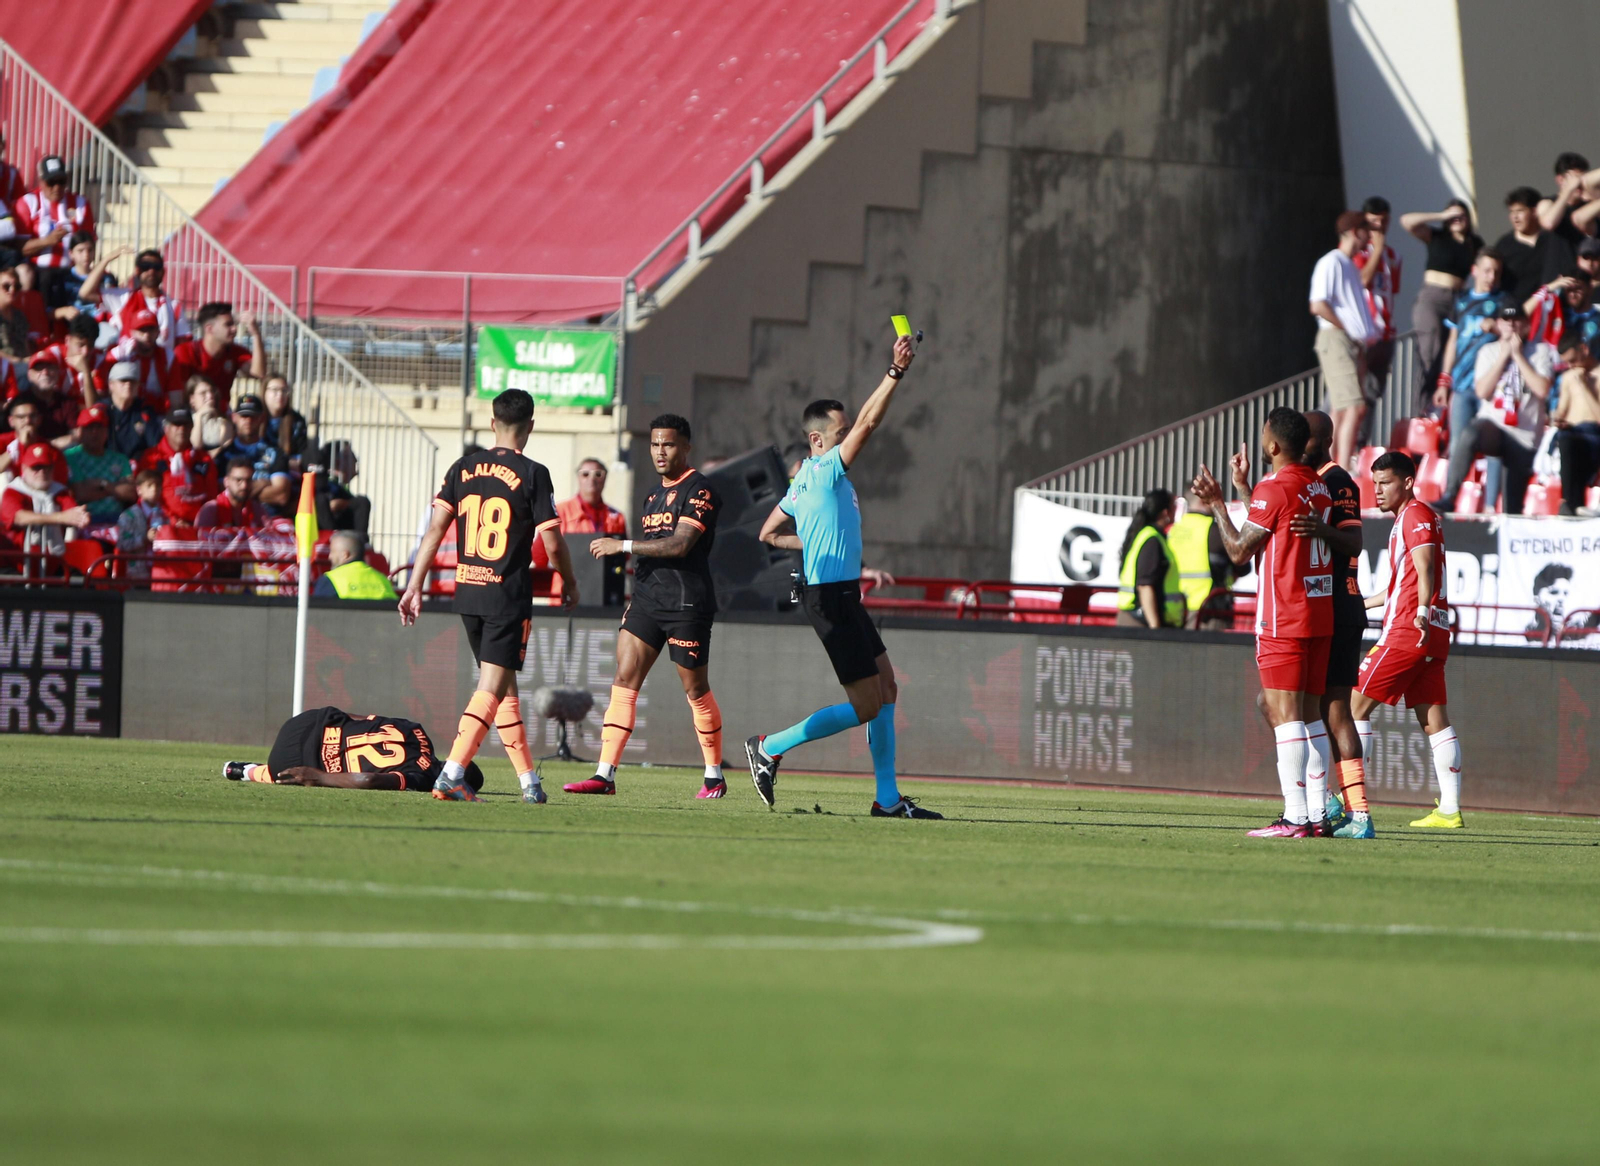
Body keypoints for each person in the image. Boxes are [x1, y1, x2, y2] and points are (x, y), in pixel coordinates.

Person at [745, 332, 942, 819]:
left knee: (887, 687)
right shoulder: (826, 471)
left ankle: (888, 799)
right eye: (841, 432)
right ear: (818, 440)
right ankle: (770, 747)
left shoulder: (806, 483)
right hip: (829, 598)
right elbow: (873, 421)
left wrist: (809, 541)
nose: (849, 436)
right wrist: (895, 371)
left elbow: (768, 534)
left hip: (841, 594)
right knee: (868, 705)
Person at [399, 388, 579, 805]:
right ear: (530, 426)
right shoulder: (535, 473)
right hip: (505, 596)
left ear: (492, 422)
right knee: (491, 688)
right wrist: (569, 582)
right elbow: (552, 545)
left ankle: (529, 782)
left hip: (469, 593)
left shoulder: (462, 467)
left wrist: (414, 586)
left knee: (504, 690)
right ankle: (452, 774)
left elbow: (434, 532)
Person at [568, 416, 729, 799]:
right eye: (655, 444)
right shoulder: (651, 495)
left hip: (687, 602)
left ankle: (713, 775)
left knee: (695, 688)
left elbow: (680, 545)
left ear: (686, 447)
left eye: (668, 445)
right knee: (624, 680)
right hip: (646, 599)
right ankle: (604, 775)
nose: (660, 451)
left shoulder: (701, 489)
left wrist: (622, 545)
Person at [1191, 407, 1334, 837]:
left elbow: (1238, 551)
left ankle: (1294, 817)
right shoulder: (1317, 486)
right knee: (1310, 717)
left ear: (1272, 445)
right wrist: (1242, 490)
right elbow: (1277, 526)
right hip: (1317, 614)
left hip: (1283, 616)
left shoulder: (1276, 489)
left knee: (1283, 713)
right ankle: (1317, 815)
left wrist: (1218, 502)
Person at [1349, 452, 1463, 829]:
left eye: (1386, 483)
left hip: (1408, 631)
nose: (1377, 491)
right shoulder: (1412, 518)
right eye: (1375, 482)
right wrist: (1360, 605)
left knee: (1353, 708)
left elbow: (1426, 567)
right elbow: (1401, 585)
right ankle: (1449, 810)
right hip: (1431, 635)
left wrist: (1422, 611)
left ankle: (1351, 802)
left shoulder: (1414, 515)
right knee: (1434, 721)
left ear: (1408, 483)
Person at [1285, 411, 1372, 838]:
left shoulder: (1338, 482)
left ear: (1322, 440)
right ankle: (1326, 805)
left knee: (1334, 710)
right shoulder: (1307, 481)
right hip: (1320, 606)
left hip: (1340, 603)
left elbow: (1354, 541)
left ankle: (1356, 814)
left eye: (1307, 440)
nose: (1300, 446)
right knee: (1302, 710)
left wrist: (1320, 529)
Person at [1443, 304, 1554, 514]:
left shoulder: (1540, 351)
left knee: (1512, 507)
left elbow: (1542, 389)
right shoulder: (1488, 351)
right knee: (1471, 432)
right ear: (1499, 324)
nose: (1511, 325)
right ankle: (1450, 495)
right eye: (1506, 320)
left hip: (1524, 436)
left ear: (1526, 325)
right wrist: (1504, 357)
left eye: (1517, 320)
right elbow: (1482, 391)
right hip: (1493, 426)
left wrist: (1518, 356)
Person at [223, 707, 476, 794]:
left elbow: (358, 719)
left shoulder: (416, 730)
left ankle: (241, 770)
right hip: (291, 760)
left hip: (305, 721)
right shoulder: (420, 779)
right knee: (292, 774)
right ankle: (249, 771)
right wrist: (318, 776)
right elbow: (369, 779)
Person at [1309, 211, 1377, 469]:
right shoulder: (1332, 261)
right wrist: (1347, 330)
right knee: (1354, 407)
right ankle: (1341, 467)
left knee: (1340, 409)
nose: (1369, 236)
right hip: (1337, 340)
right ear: (1352, 231)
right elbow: (1318, 304)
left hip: (1351, 344)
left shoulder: (1349, 264)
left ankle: (1331, 466)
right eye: (1365, 230)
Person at [1402, 199, 1484, 391]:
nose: (1457, 219)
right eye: (1453, 216)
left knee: (1452, 350)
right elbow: (1407, 221)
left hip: (1457, 299)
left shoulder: (1474, 243)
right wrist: (1442, 215)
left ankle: (1441, 404)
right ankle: (1422, 408)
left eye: (1461, 215)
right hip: (1433, 297)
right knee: (1430, 349)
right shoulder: (1437, 236)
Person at [1436, 249, 1507, 468]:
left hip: (1490, 386)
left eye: (1496, 272)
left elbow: (1515, 332)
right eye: (1487, 271)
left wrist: (1496, 327)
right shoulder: (1461, 301)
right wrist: (1444, 381)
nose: (1491, 277)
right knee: (1458, 443)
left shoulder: (1503, 300)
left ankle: (1488, 500)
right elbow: (1452, 341)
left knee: (1491, 447)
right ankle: (1451, 497)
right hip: (1462, 385)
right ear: (1475, 271)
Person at [13, 156, 94, 304]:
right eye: (51, 182)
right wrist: (48, 241)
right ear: (41, 181)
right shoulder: (28, 202)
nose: (57, 187)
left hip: (73, 271)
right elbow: (19, 248)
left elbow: (91, 242)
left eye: (61, 181)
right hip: (39, 271)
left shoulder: (81, 204)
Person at [1353, 196, 1401, 444]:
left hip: (1386, 334)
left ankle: (1360, 445)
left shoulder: (1394, 255)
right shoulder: (1359, 253)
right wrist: (1377, 250)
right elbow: (1362, 280)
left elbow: (1392, 290)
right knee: (1352, 392)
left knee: (1372, 393)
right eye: (1374, 222)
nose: (1379, 227)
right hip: (1365, 333)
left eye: (1383, 221)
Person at [1168, 488, 1248, 629]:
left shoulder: (1174, 530)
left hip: (1178, 609)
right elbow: (1243, 564)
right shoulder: (1214, 530)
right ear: (1203, 501)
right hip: (1209, 610)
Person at [90, 249, 189, 357]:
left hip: (160, 368)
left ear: (163, 271)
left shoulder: (174, 307)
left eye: (156, 267)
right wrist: (106, 259)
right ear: (137, 271)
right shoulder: (123, 297)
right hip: (128, 365)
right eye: (145, 266)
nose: (151, 271)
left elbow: (182, 346)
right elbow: (86, 293)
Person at [0, 441, 90, 555]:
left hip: (53, 560)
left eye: (46, 467)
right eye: (36, 467)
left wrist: (81, 516)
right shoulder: (13, 491)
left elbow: (72, 512)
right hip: (17, 563)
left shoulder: (60, 491)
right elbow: (19, 517)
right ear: (24, 469)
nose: (42, 472)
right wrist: (60, 517)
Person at [166, 302, 265, 402]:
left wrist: (256, 335)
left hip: (222, 414)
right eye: (228, 324)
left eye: (234, 324)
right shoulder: (185, 351)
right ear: (210, 329)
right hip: (191, 413)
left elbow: (258, 373)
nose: (234, 329)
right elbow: (178, 393)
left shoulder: (234, 351)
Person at [1114, 488, 1183, 629]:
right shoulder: (1152, 540)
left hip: (1138, 619)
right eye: (1174, 506)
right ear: (1165, 513)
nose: (1177, 509)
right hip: (1141, 623)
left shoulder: (1148, 535)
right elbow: (1145, 586)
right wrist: (1154, 627)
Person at [1494, 187, 1574, 306]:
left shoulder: (1553, 238)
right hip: (1520, 313)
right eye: (1512, 212)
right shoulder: (1504, 246)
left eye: (1520, 211)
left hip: (1555, 308)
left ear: (1534, 211)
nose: (1515, 217)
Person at [1552, 322, 1600, 515]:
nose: (1571, 366)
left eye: (1573, 360)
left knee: (1573, 444)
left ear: (1584, 349)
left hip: (1594, 436)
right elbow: (1561, 409)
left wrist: (1584, 387)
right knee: (1566, 441)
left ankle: (1574, 505)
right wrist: (1557, 418)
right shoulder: (1569, 377)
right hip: (1572, 435)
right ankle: (1571, 504)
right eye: (1567, 363)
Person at [137, 408, 216, 525]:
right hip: (162, 525)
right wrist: (172, 521)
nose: (182, 429)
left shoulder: (204, 459)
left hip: (198, 527)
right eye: (177, 425)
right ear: (166, 428)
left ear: (192, 428)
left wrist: (202, 521)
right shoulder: (151, 457)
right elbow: (145, 497)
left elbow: (211, 496)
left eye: (186, 425)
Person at [213, 394, 292, 511]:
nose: (248, 420)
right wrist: (264, 483)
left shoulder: (275, 453)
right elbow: (218, 491)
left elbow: (281, 495)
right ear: (234, 418)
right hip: (231, 518)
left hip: (268, 519)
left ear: (262, 418)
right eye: (244, 416)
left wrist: (238, 491)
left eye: (253, 416)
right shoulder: (224, 455)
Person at [64, 404, 134, 526]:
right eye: (89, 428)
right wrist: (115, 489)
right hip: (86, 520)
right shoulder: (70, 457)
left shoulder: (119, 459)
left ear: (106, 432)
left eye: (99, 427)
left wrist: (103, 484)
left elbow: (131, 493)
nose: (94, 432)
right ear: (80, 431)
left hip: (117, 518)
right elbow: (80, 493)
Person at [97, 310, 170, 410]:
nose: (147, 335)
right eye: (142, 330)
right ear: (132, 333)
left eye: (151, 330)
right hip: (119, 410)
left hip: (156, 413)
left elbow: (175, 398)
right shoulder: (118, 354)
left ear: (158, 332)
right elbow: (99, 390)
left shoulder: (168, 356)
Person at [1536, 152, 1600, 252]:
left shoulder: (1589, 205)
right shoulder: (1547, 203)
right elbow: (1549, 223)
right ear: (1560, 180)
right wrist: (1568, 190)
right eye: (1576, 178)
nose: (1579, 184)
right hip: (1558, 266)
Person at [1, 394, 68, 486]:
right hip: (6, 496)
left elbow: (59, 483)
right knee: (4, 477)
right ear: (11, 421)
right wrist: (17, 445)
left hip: (36, 496)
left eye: (32, 416)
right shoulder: (2, 441)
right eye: (21, 417)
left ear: (39, 419)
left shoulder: (50, 450)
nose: (28, 421)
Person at [100, 362, 162, 460]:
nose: (128, 384)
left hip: (137, 467)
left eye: (132, 381)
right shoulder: (101, 410)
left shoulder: (145, 411)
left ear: (138, 385)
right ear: (111, 385)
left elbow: (155, 445)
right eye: (123, 381)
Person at [312, 530, 397, 600]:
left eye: (332, 552)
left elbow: (319, 615)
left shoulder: (329, 580)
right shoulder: (383, 580)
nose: (329, 557)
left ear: (345, 555)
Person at [196, 458, 271, 530]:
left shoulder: (258, 510)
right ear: (226, 481)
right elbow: (198, 540)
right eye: (238, 480)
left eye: (248, 480)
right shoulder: (210, 510)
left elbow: (270, 535)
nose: (244, 486)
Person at [116, 468, 167, 575]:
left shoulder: (166, 515)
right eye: (149, 486)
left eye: (157, 486)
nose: (154, 489)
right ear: (139, 490)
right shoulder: (128, 516)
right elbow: (123, 545)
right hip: (136, 572)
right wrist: (145, 539)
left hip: (161, 571)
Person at [263, 375, 308, 468]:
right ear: (264, 392)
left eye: (284, 390)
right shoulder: (255, 417)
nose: (280, 394)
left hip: (286, 469)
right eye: (275, 390)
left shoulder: (297, 421)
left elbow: (301, 453)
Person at [186, 375, 234, 455]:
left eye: (211, 391)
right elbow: (196, 446)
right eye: (203, 393)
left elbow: (225, 448)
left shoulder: (223, 422)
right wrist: (199, 416)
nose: (210, 396)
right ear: (192, 399)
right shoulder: (186, 421)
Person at [0, 267, 30, 360]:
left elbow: (26, 347)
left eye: (16, 287)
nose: (12, 290)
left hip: (22, 367)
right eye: (6, 286)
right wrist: (14, 361)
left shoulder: (19, 316)